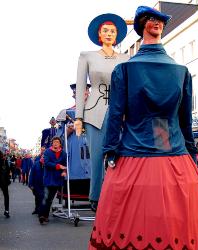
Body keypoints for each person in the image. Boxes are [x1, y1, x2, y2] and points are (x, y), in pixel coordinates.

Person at [89, 6, 198, 249]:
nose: (157, 22)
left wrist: (110, 151)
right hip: (169, 158)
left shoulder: (128, 70)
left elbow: (183, 120)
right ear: (141, 26)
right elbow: (119, 115)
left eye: (159, 19)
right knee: (177, 224)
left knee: (128, 224)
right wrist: (111, 148)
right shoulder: (176, 71)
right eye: (151, 19)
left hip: (141, 156)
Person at [74, 13, 129, 211]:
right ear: (99, 33)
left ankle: (118, 194)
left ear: (117, 36)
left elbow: (129, 86)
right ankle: (95, 196)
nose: (109, 34)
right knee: (97, 156)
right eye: (105, 30)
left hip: (119, 111)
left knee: (120, 155)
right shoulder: (87, 56)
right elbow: (81, 87)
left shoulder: (126, 58)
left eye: (112, 31)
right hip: (93, 112)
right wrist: (78, 117)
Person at [56, 83, 91, 204]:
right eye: (78, 92)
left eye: (84, 90)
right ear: (74, 94)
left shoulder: (96, 112)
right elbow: (58, 139)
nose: (82, 94)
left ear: (88, 92)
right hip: (75, 154)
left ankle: (96, 198)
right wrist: (68, 131)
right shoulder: (67, 113)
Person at [38, 136, 67, 224]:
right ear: (52, 143)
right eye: (54, 142)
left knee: (50, 199)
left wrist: (64, 171)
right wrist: (58, 166)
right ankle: (41, 215)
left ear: (60, 144)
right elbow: (47, 163)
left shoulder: (63, 153)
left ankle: (46, 216)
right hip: (48, 178)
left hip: (57, 179)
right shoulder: (47, 151)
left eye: (57, 142)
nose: (55, 143)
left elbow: (65, 164)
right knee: (45, 197)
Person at [28, 146, 46, 215]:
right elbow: (32, 173)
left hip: (45, 184)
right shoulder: (36, 162)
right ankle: (37, 209)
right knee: (37, 197)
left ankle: (41, 212)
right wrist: (30, 184)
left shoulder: (48, 163)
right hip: (36, 183)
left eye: (44, 150)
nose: (43, 151)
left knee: (42, 197)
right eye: (42, 150)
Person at [0, 150, 11, 218]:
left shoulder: (5, 160)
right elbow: (8, 170)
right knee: (6, 196)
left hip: (3, 181)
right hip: (4, 181)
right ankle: (6, 211)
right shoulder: (4, 161)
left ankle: (6, 211)